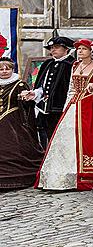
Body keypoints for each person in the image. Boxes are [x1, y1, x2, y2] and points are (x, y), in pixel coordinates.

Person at [36, 39, 93, 191]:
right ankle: (63, 174)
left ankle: (92, 174)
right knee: (67, 138)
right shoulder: (75, 65)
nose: (80, 52)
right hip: (75, 105)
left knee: (89, 138)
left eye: (84, 49)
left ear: (91, 51)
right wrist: (67, 106)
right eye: (79, 49)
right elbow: (71, 88)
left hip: (92, 105)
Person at [0, 56, 44, 190]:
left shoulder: (19, 84)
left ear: (12, 69)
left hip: (14, 122)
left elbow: (28, 105)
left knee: (9, 146)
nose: (4, 71)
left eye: (7, 68)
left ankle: (14, 178)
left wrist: (25, 100)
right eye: (1, 69)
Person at [27, 36, 74, 147]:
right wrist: (35, 94)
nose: (53, 50)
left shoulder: (72, 65)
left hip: (61, 109)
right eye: (51, 48)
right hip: (45, 108)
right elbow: (41, 85)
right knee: (45, 133)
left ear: (66, 49)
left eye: (56, 47)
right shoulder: (47, 64)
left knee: (61, 138)